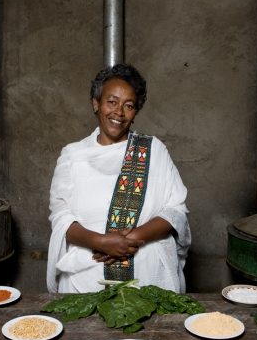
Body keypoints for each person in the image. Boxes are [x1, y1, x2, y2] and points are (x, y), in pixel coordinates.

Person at [47, 64, 190, 293]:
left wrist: (128, 240)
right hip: (85, 279)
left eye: (129, 105)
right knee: (85, 329)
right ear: (96, 103)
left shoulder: (153, 150)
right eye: (111, 102)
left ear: (136, 112)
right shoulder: (72, 155)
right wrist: (100, 242)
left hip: (148, 278)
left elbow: (175, 211)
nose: (119, 113)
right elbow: (61, 217)